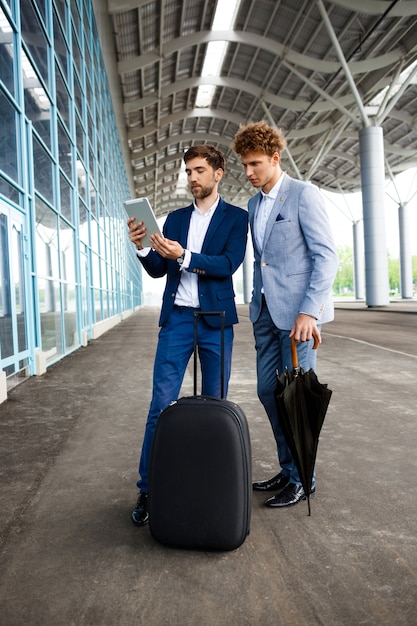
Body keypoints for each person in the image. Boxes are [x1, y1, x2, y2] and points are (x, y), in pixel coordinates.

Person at [127, 144, 248, 525]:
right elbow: (159, 270)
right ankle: (148, 489)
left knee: (216, 408)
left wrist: (185, 256)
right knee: (160, 406)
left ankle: (210, 487)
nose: (192, 178)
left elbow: (228, 264)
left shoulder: (236, 218)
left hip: (216, 319)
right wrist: (143, 249)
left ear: (218, 173)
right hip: (178, 319)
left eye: (199, 171)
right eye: (188, 172)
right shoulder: (176, 218)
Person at [232, 121, 338, 508]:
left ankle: (302, 479)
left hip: (298, 316)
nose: (248, 172)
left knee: (297, 397)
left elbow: (327, 257)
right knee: (268, 390)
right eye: (244, 164)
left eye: (255, 163)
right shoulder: (254, 204)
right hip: (264, 311)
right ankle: (288, 466)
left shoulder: (302, 195)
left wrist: (310, 311)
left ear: (275, 159)